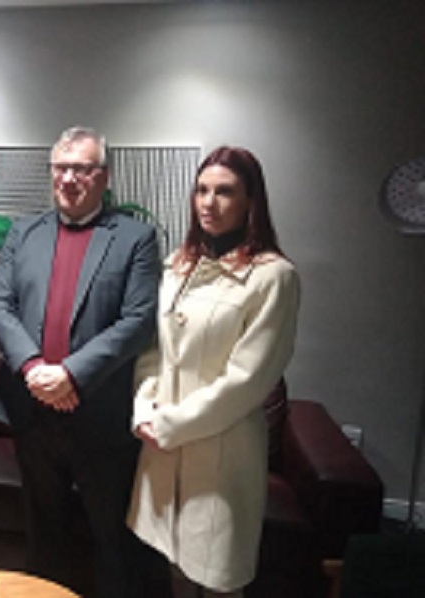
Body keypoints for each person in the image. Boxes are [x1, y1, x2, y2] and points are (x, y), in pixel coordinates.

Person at [0, 126, 160, 597]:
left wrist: (71, 375)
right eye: (61, 168)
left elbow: (139, 320)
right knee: (44, 535)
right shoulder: (24, 232)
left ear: (104, 176)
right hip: (33, 413)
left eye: (81, 169)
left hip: (100, 417)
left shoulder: (136, 238)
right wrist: (32, 369)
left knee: (112, 540)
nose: (68, 178)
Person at [127, 146, 301, 598]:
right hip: (162, 447)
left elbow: (249, 379)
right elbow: (154, 352)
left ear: (250, 201)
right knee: (175, 571)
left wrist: (171, 424)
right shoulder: (177, 266)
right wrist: (144, 408)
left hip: (221, 452)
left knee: (218, 576)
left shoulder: (273, 277)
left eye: (224, 192)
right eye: (202, 190)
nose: (209, 202)